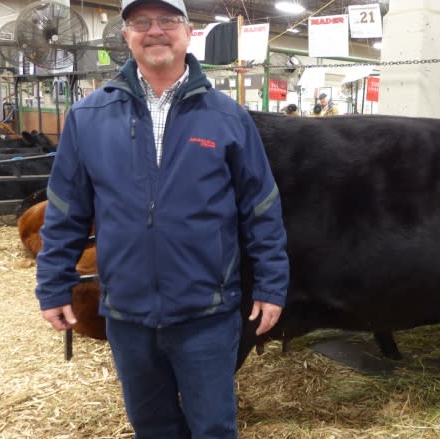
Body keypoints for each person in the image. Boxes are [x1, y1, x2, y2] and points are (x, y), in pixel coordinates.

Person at [33, 1, 289, 438]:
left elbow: (260, 209)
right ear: (126, 34)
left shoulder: (227, 117)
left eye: (168, 21)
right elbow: (66, 210)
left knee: (212, 426)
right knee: (151, 426)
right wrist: (53, 282)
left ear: (189, 33)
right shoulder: (89, 117)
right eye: (142, 22)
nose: (155, 31)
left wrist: (271, 283)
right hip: (127, 313)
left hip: (205, 312)